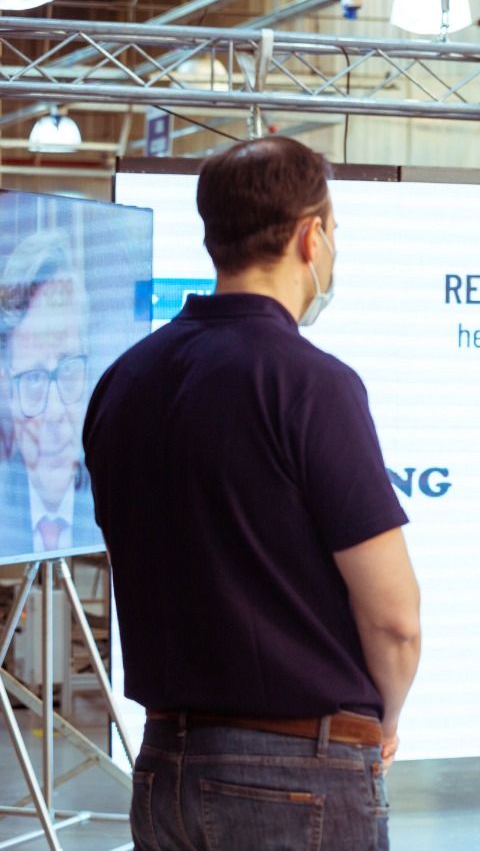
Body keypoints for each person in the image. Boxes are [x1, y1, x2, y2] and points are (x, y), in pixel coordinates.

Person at [83, 137, 421, 850]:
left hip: (163, 768)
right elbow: (394, 617)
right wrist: (383, 723)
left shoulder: (124, 380)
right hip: (296, 770)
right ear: (310, 236)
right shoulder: (312, 384)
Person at [0, 229, 97, 559]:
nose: (55, 412)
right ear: (8, 390)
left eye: (69, 369)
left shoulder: (117, 501)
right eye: (34, 378)